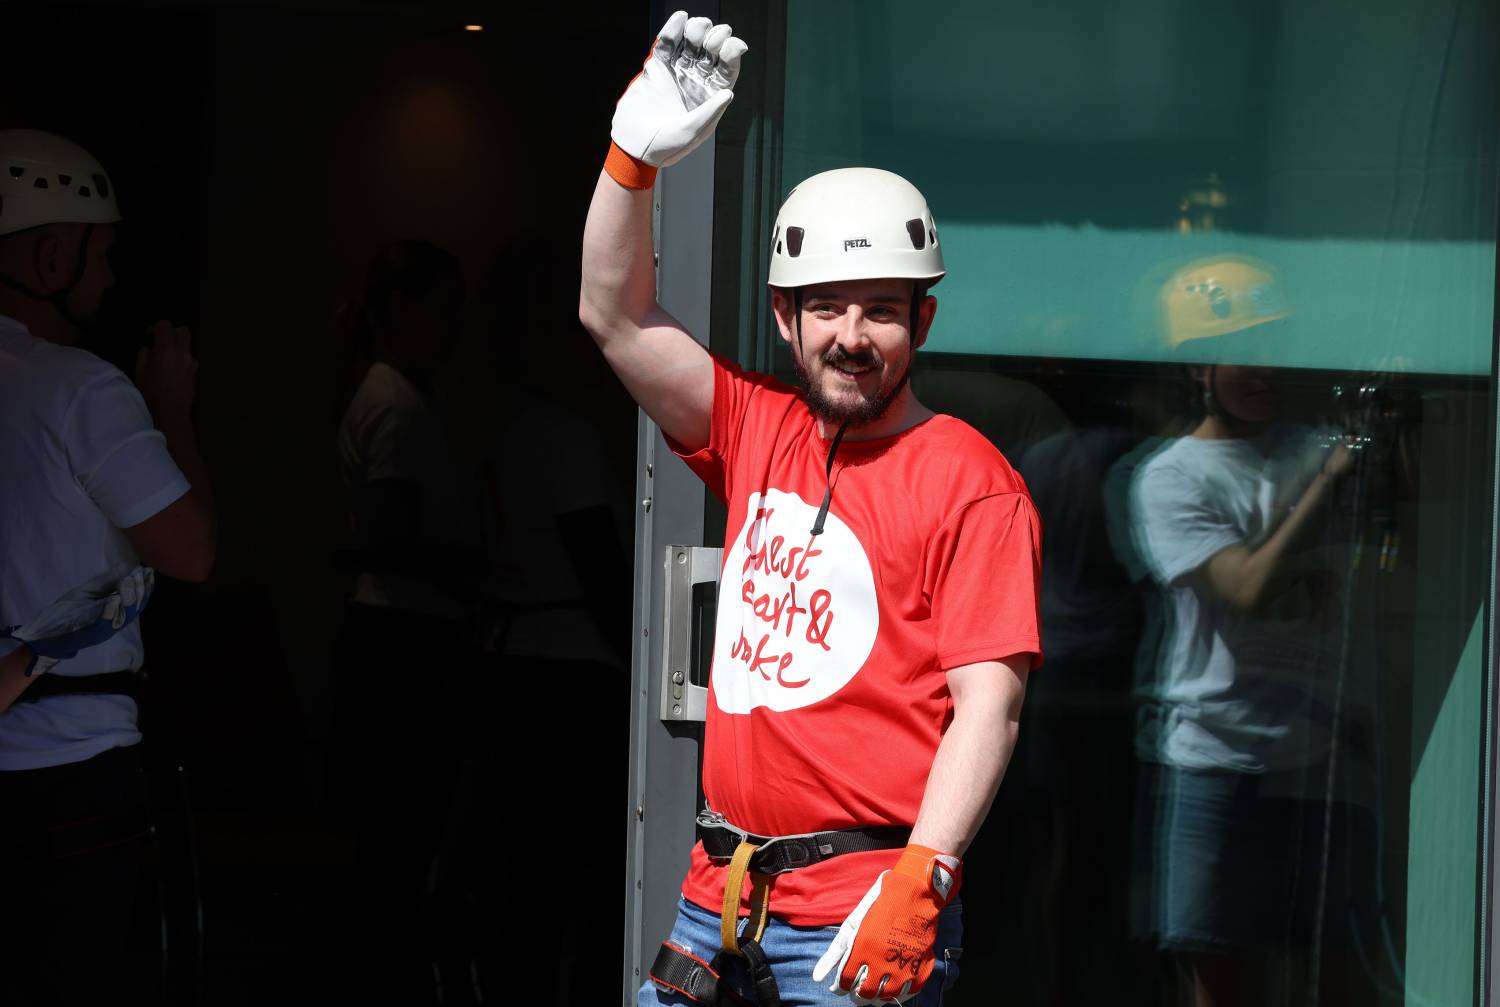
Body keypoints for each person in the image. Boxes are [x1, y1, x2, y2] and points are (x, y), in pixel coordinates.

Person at [580, 14, 1042, 1006]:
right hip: (718, 902)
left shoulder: (972, 478)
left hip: (860, 912)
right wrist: (630, 160)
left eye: (882, 309)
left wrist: (924, 879)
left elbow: (989, 707)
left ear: (922, 321)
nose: (852, 335)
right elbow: (611, 314)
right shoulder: (758, 425)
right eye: (826, 306)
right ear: (785, 318)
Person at [1120, 256, 1376, 1005]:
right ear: (1197, 367)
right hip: (1214, 753)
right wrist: (1328, 481)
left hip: (1317, 748)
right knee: (1218, 968)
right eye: (1243, 351)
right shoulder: (1171, 476)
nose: (1265, 367)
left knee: (1329, 962)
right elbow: (1249, 589)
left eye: (1274, 345)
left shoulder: (1317, 443)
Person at [0, 129, 216, 1005]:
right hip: (71, 771)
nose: (111, 276)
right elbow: (192, 553)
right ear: (52, 257)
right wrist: (173, 414)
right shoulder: (80, 389)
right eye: (102, 253)